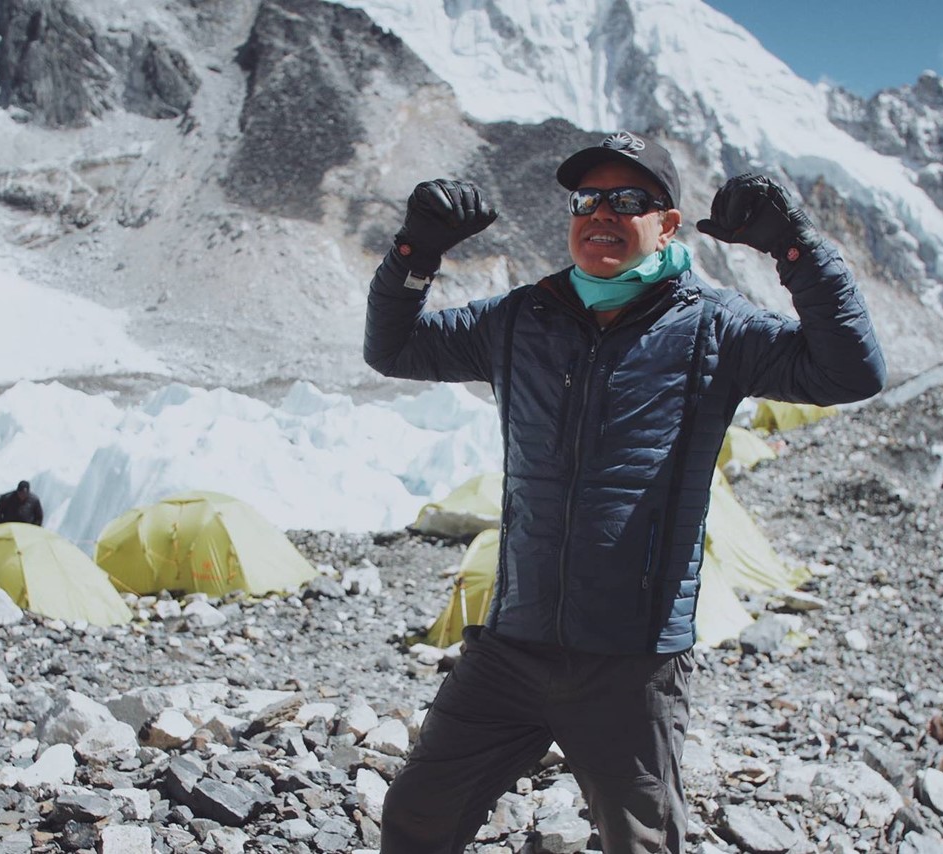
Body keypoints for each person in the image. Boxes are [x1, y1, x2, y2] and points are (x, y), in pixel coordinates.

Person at [364, 131, 886, 854]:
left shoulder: (715, 327)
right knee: (419, 815)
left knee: (640, 843)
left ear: (668, 223)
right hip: (510, 648)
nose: (602, 213)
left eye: (629, 200)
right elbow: (393, 348)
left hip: (631, 666)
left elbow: (850, 373)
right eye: (588, 199)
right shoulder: (520, 317)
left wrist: (794, 248)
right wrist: (414, 254)